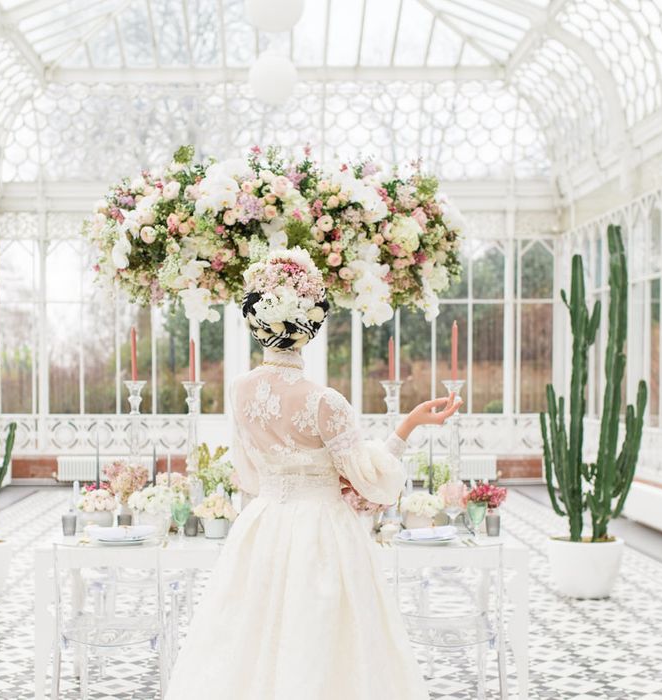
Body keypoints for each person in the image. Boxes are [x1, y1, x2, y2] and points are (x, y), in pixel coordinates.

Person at [165, 248, 460, 700]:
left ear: (257, 320)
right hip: (322, 534)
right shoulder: (325, 401)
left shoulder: (239, 389)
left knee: (251, 639)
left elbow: (248, 472)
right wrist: (408, 426)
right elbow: (370, 479)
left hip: (262, 526)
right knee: (326, 645)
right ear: (310, 329)